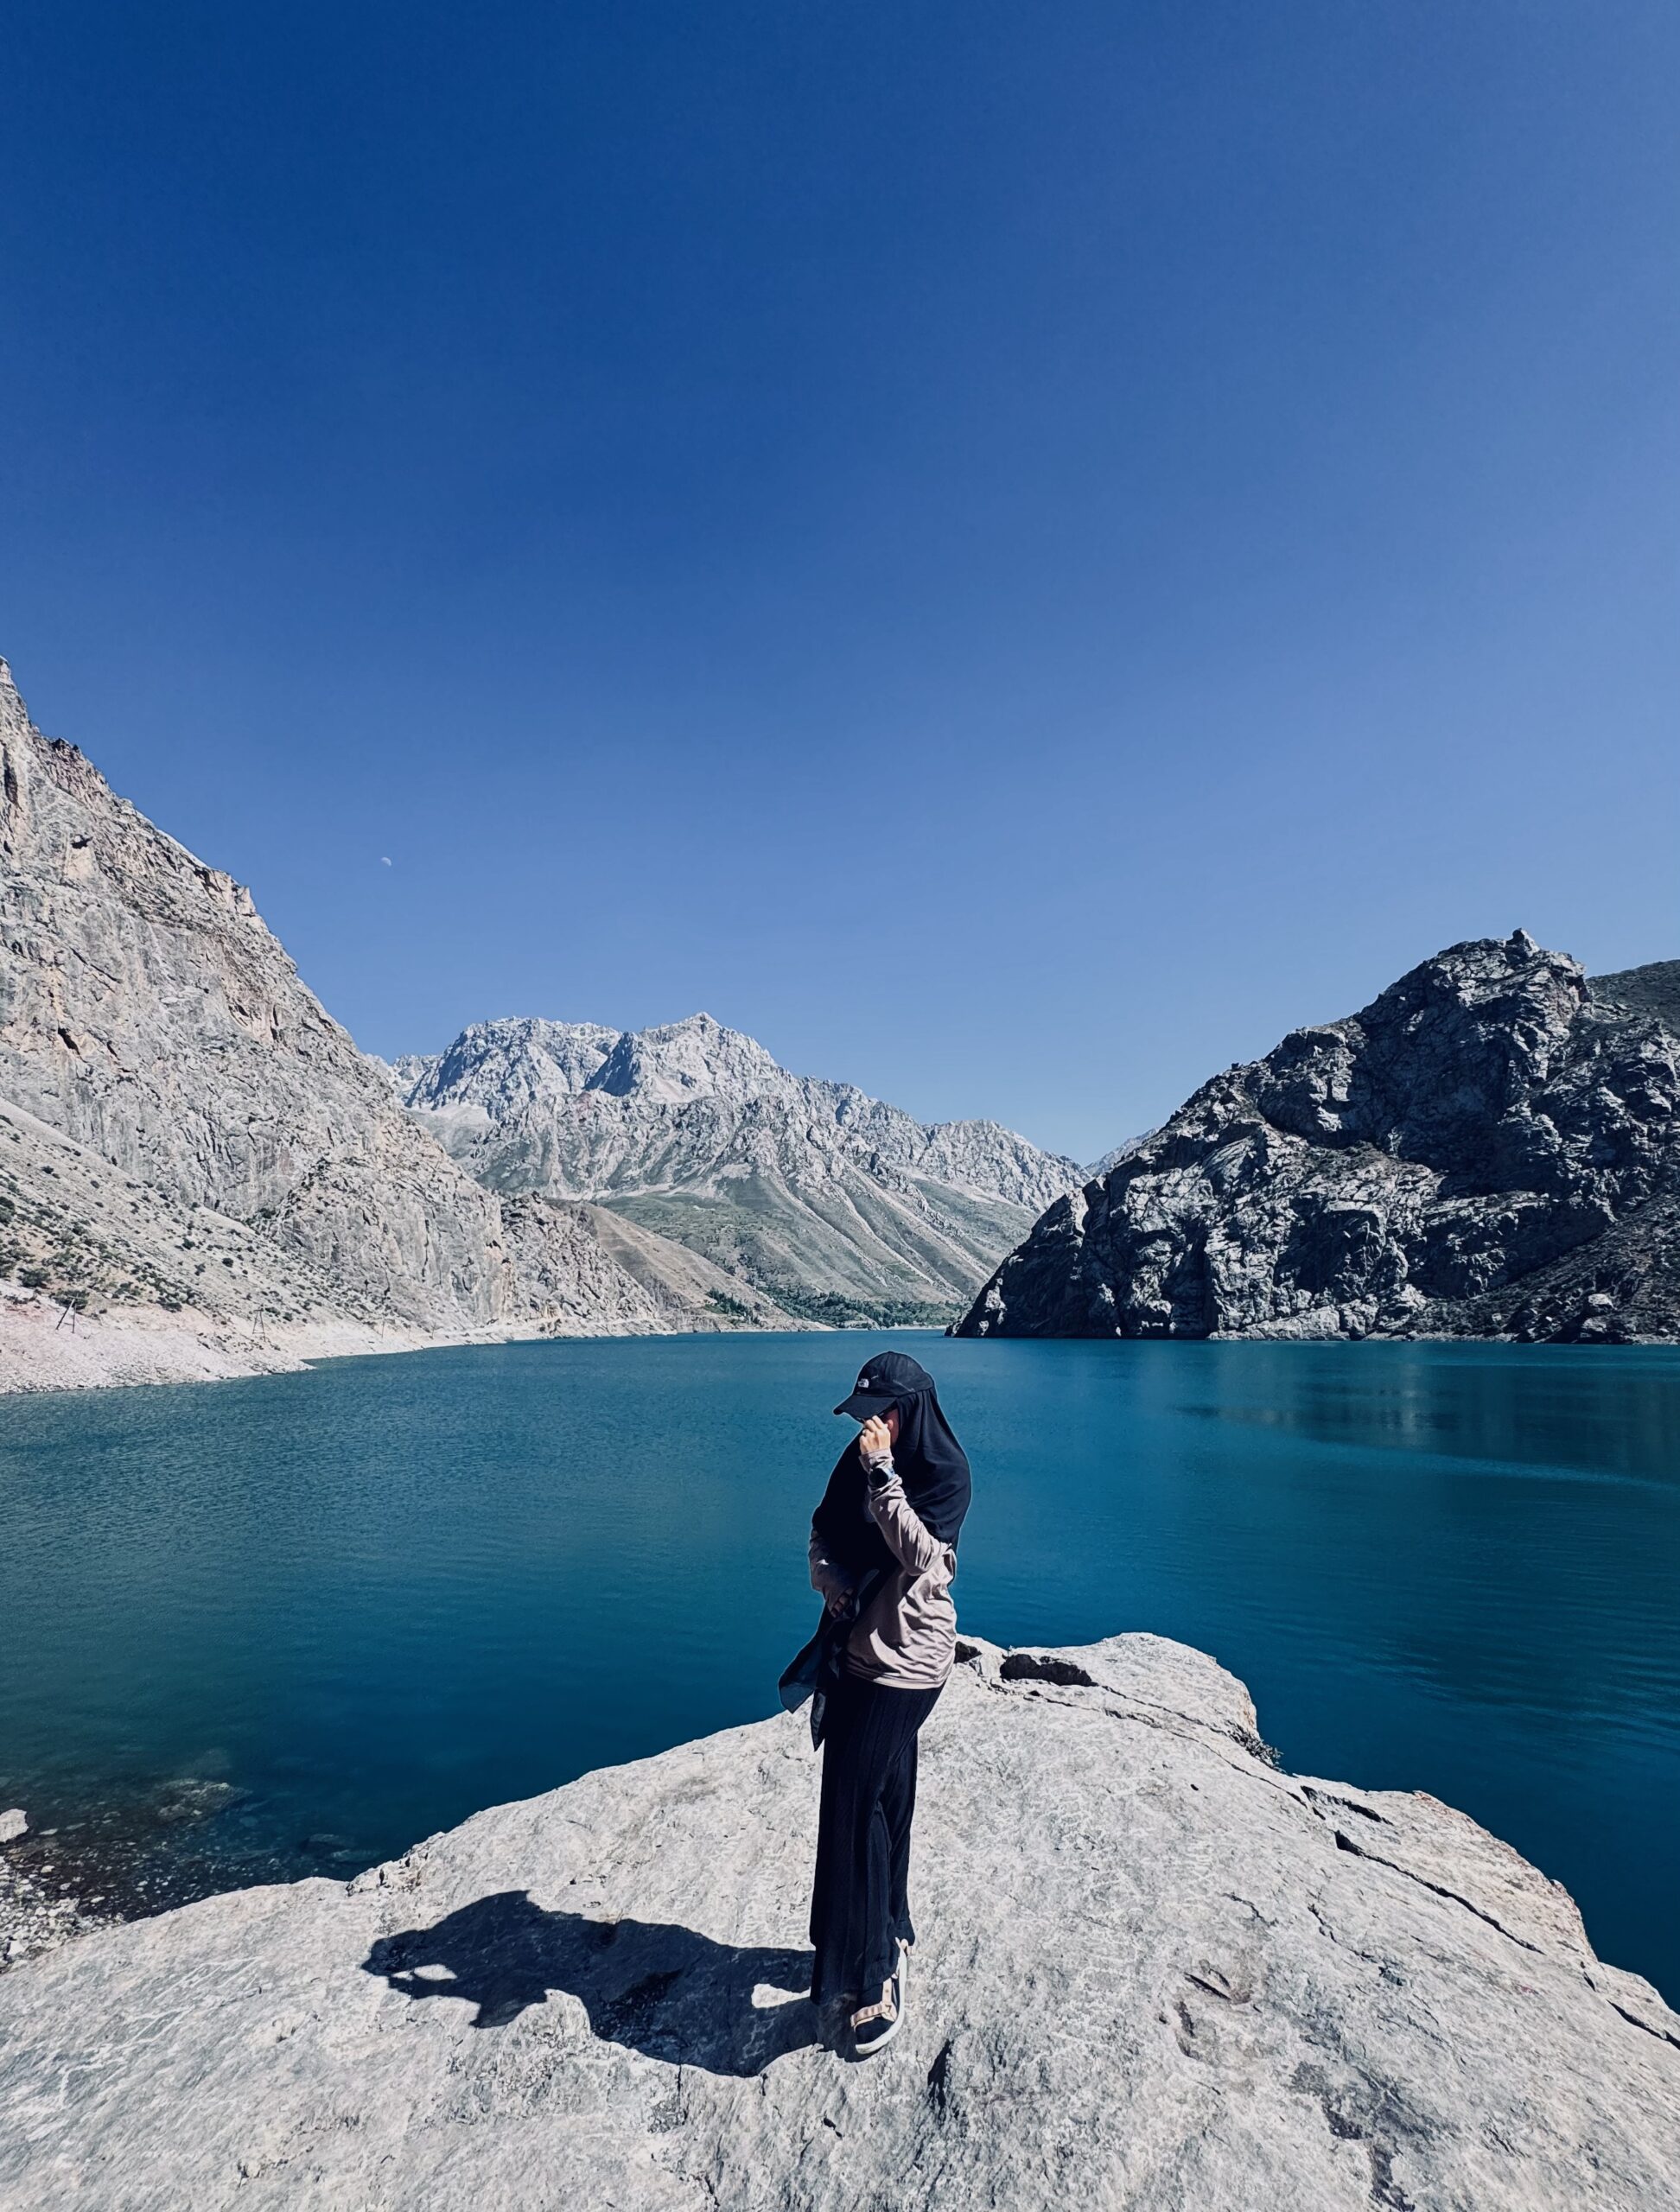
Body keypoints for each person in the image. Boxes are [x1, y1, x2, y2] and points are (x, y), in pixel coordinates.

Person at [805, 1350, 971, 2056]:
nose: (866, 1426)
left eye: (878, 1414)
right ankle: (888, 1926)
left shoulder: (945, 1474)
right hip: (856, 1651)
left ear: (908, 1412)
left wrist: (882, 1475)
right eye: (861, 1414)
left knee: (855, 1804)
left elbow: (922, 1558)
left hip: (909, 1666)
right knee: (884, 1798)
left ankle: (875, 1973)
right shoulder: (857, 1460)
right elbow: (822, 1530)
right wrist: (832, 1581)